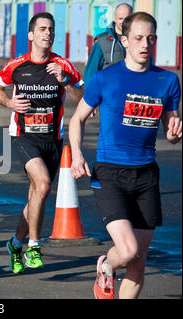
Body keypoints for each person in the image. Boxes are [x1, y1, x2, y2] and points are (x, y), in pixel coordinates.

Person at [69, 12, 181, 299]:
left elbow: (170, 129)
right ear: (125, 40)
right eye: (138, 38)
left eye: (150, 38)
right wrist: (77, 155)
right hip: (110, 173)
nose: (145, 44)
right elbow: (77, 119)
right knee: (128, 251)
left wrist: (174, 133)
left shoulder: (167, 81)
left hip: (146, 175)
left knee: (138, 266)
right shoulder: (106, 78)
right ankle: (106, 264)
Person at [0, 12, 84, 274]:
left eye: (51, 30)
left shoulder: (63, 66)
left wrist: (65, 81)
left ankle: (15, 243)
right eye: (42, 29)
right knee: (42, 184)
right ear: (31, 35)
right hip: (24, 136)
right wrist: (9, 102)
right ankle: (34, 245)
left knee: (37, 195)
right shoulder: (17, 66)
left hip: (52, 140)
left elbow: (83, 99)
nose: (48, 33)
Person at [84, 3, 133, 84]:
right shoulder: (101, 41)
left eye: (127, 18)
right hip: (108, 93)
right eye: (120, 18)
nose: (124, 22)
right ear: (115, 19)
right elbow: (91, 73)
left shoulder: (140, 41)